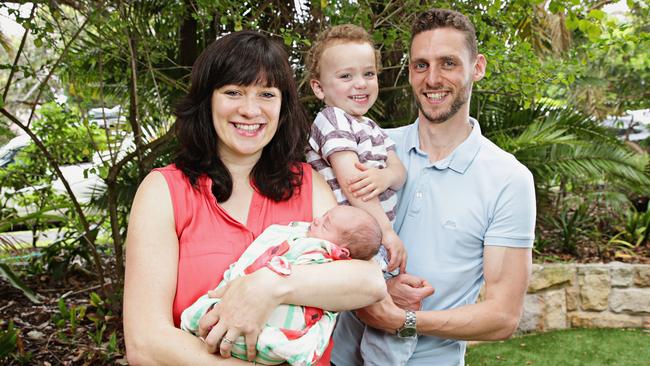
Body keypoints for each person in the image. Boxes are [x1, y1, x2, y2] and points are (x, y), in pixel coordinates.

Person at [122, 31, 387, 365]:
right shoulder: (164, 191)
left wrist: (268, 285)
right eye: (233, 92)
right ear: (208, 100)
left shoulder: (306, 184)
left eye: (266, 94)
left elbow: (369, 281)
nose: (250, 110)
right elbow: (145, 343)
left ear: (282, 105)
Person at [332, 8, 536, 366]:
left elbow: (503, 316)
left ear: (478, 67)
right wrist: (373, 290)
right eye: (421, 65)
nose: (433, 78)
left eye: (448, 63)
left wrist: (404, 321)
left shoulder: (509, 179)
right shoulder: (369, 149)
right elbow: (316, 242)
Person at [181, 205, 382, 366]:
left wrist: (270, 281)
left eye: (326, 225)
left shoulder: (320, 249)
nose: (316, 219)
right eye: (323, 215)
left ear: (343, 252)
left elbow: (374, 283)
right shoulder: (296, 233)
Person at [305, 24, 407, 274]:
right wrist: (387, 232)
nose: (360, 84)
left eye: (369, 74)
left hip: (367, 236)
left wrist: (385, 176)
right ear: (319, 88)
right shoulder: (332, 119)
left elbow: (400, 172)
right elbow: (354, 185)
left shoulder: (370, 126)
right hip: (343, 237)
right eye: (345, 76)